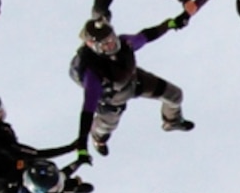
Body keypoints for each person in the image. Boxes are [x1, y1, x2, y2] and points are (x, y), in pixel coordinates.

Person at [67, 10, 195, 158]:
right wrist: (82, 145)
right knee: (105, 128)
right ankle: (98, 140)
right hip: (112, 102)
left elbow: (146, 36)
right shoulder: (93, 74)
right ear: (95, 47)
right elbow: (87, 110)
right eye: (106, 44)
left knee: (175, 95)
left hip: (136, 80)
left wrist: (171, 23)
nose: (112, 44)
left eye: (112, 38)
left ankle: (172, 121)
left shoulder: (125, 44)